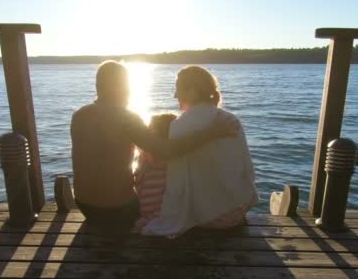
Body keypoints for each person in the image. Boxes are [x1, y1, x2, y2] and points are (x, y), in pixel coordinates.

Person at [71, 61, 237, 232]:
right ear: (122, 88)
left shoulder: (79, 116)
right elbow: (166, 151)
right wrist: (211, 132)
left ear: (98, 86)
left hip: (86, 206)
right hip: (119, 209)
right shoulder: (127, 118)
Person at [140, 66, 259, 237]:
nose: (174, 95)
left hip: (207, 220)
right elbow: (248, 171)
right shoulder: (231, 119)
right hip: (237, 212)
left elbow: (177, 186)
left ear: (193, 91)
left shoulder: (179, 126)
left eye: (178, 89)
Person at [132, 113, 177, 233]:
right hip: (169, 211)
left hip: (146, 209)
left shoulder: (145, 155)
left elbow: (137, 181)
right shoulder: (177, 156)